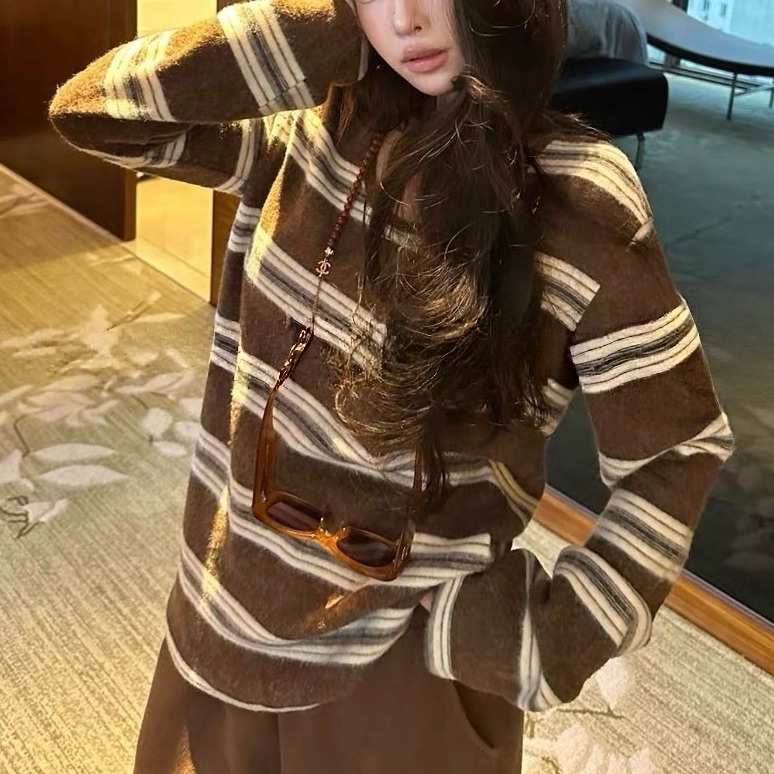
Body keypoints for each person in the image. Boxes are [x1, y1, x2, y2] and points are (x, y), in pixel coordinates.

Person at [48, 0, 734, 772]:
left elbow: (678, 449)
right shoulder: (311, 133)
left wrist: (554, 635)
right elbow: (96, 113)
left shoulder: (579, 201)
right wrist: (321, 30)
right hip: (226, 611)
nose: (406, 18)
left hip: (403, 662)